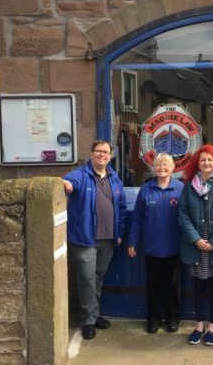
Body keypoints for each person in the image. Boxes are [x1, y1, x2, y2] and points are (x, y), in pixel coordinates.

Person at [63, 139, 127, 340]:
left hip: (108, 239)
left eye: (106, 152)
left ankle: (94, 314)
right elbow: (69, 183)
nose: (102, 154)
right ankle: (88, 320)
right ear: (91, 154)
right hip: (85, 240)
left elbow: (122, 209)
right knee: (87, 281)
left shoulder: (114, 179)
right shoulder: (81, 175)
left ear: (110, 156)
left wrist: (119, 234)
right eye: (98, 151)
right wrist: (65, 184)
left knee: (98, 278)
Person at [179, 145, 213, 346]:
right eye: (203, 160)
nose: (207, 163)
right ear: (197, 164)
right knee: (199, 286)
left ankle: (212, 325)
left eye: (210, 160)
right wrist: (196, 239)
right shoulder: (188, 186)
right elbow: (182, 214)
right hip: (196, 246)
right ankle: (199, 324)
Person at [127, 153, 184, 334]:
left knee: (173, 285)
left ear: (173, 168)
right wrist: (132, 242)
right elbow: (137, 219)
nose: (162, 168)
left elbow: (189, 219)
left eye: (166, 164)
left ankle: (173, 318)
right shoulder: (146, 189)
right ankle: (153, 318)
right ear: (154, 167)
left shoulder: (181, 189)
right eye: (158, 164)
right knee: (153, 285)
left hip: (174, 248)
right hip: (152, 247)